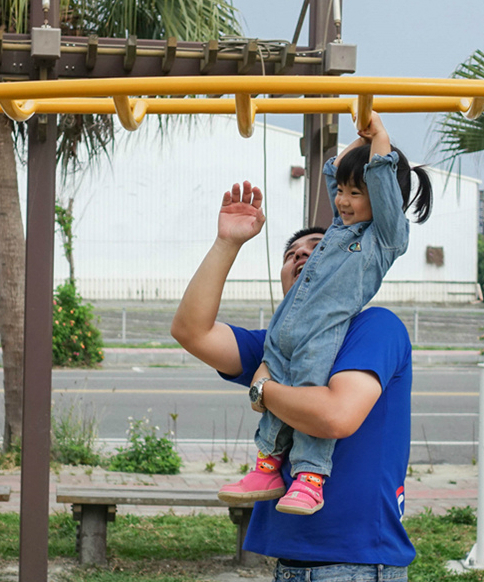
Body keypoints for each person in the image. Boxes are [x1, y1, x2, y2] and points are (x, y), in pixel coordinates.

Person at [171, 179, 414, 581]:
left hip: (355, 565)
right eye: (291, 254)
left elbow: (335, 416)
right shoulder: (276, 348)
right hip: (290, 565)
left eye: (317, 249)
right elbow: (191, 332)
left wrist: (263, 388)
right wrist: (227, 243)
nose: (302, 255)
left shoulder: (375, 327)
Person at [216, 112, 432, 516]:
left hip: (321, 334)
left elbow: (382, 183)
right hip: (286, 329)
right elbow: (335, 172)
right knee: (278, 408)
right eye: (343, 193)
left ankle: (310, 478)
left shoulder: (384, 238)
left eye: (355, 194)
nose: (343, 201)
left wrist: (380, 139)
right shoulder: (338, 229)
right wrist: (359, 141)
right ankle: (266, 467)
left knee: (307, 399)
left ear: (382, 200)